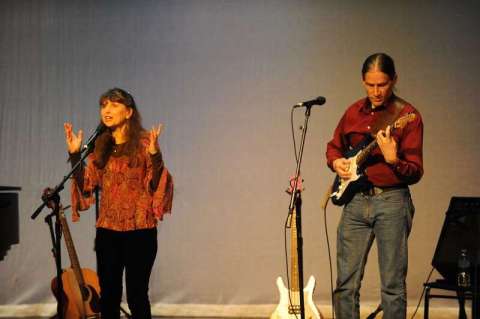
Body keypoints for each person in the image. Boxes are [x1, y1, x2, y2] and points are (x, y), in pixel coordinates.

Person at [326, 53, 423, 319]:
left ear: (394, 80)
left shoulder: (407, 115)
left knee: (392, 287)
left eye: (382, 84)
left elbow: (415, 171)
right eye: (370, 85)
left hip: (391, 201)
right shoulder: (353, 112)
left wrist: (394, 160)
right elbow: (334, 147)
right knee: (345, 285)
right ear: (363, 81)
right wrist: (337, 163)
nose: (376, 91)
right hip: (355, 201)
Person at [64, 88, 173, 319]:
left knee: (136, 295)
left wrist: (155, 155)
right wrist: (75, 156)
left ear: (129, 112)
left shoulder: (145, 143)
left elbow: (157, 185)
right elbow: (87, 185)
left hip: (140, 231)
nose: (107, 110)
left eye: (113, 105)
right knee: (109, 296)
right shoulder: (100, 146)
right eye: (104, 106)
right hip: (108, 232)